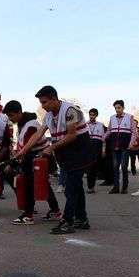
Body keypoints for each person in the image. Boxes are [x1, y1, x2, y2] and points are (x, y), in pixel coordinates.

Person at [17, 86, 94, 234]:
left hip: (80, 151)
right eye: (41, 103)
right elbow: (38, 134)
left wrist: (51, 148)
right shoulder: (48, 116)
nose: (43, 106)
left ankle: (67, 221)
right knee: (76, 186)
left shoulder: (71, 110)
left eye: (45, 102)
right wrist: (23, 150)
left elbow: (72, 135)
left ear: (54, 99)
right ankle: (82, 219)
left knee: (71, 189)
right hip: (67, 152)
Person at [3, 100, 62, 225]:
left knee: (29, 186)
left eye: (12, 115)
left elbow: (27, 147)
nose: (10, 118)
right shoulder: (22, 124)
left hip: (38, 158)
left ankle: (28, 215)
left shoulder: (30, 125)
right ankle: (55, 211)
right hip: (35, 157)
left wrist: (12, 163)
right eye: (8, 116)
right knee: (44, 185)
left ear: (19, 112)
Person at [104, 100, 137, 194]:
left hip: (125, 146)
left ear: (123, 108)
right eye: (115, 108)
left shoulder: (129, 117)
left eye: (119, 108)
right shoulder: (112, 118)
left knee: (123, 166)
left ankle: (125, 187)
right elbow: (109, 130)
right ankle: (116, 187)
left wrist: (131, 144)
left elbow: (134, 132)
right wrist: (104, 137)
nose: (117, 110)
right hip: (114, 146)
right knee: (115, 167)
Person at [85, 108, 106, 193]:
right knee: (89, 168)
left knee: (94, 168)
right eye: (90, 114)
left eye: (93, 115)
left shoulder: (100, 125)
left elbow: (103, 139)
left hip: (97, 148)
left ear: (96, 116)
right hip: (88, 148)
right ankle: (89, 187)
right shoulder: (85, 124)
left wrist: (103, 150)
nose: (92, 116)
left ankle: (92, 187)